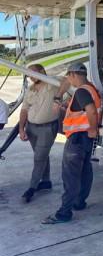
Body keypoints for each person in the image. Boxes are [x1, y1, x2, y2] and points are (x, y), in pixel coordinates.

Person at [42, 62, 101, 224]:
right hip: (86, 139)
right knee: (85, 171)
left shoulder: (82, 91)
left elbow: (90, 110)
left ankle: (64, 213)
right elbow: (84, 110)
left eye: (69, 76)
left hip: (77, 139)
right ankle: (79, 202)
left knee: (71, 176)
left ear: (74, 75)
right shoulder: (91, 88)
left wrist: (93, 129)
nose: (68, 80)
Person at [18, 64, 69, 203]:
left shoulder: (52, 84)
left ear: (42, 72)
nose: (31, 77)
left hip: (47, 128)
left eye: (33, 73)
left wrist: (58, 96)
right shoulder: (30, 89)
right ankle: (46, 181)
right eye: (29, 74)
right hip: (31, 128)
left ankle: (32, 188)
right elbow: (24, 110)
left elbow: (68, 80)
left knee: (39, 158)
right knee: (41, 155)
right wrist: (21, 128)